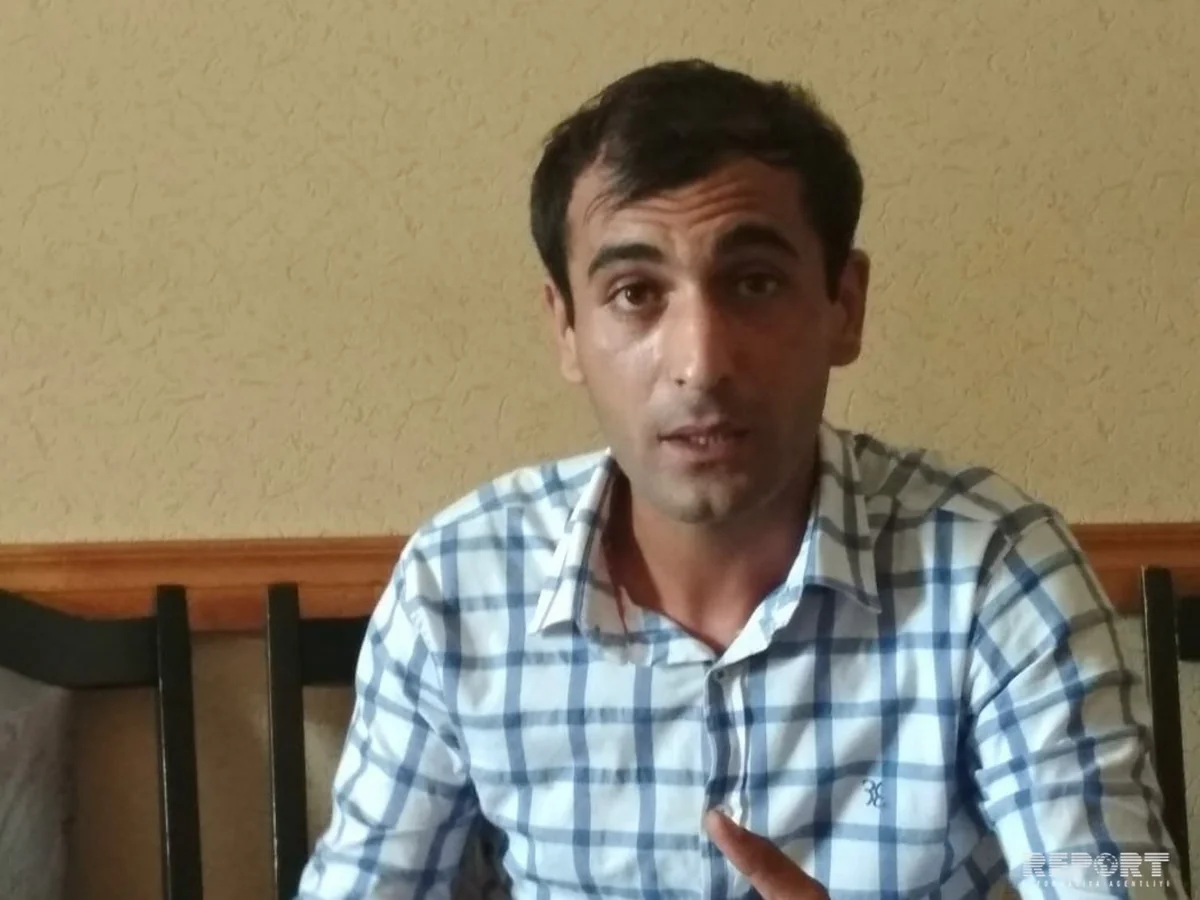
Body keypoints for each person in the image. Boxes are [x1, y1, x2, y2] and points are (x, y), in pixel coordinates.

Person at [296, 59, 1180, 899]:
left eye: (754, 283)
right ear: (565, 328)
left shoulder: (999, 569)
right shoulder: (457, 586)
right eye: (635, 293)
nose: (702, 363)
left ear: (844, 305)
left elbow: (1126, 880)